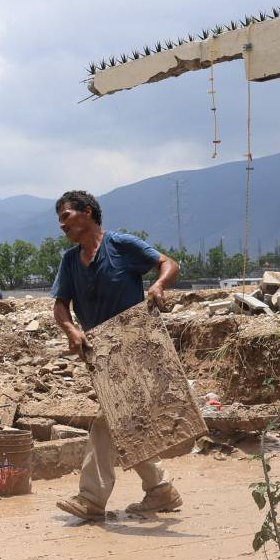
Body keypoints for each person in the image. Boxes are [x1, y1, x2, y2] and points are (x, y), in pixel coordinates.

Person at [50, 190, 184, 520]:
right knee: (125, 423)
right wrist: (71, 330)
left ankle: (91, 499)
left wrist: (158, 285)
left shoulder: (121, 246)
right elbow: (60, 306)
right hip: (99, 352)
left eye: (66, 217)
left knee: (107, 420)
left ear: (87, 213)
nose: (61, 225)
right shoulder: (70, 261)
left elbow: (168, 263)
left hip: (134, 344)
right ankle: (160, 490)